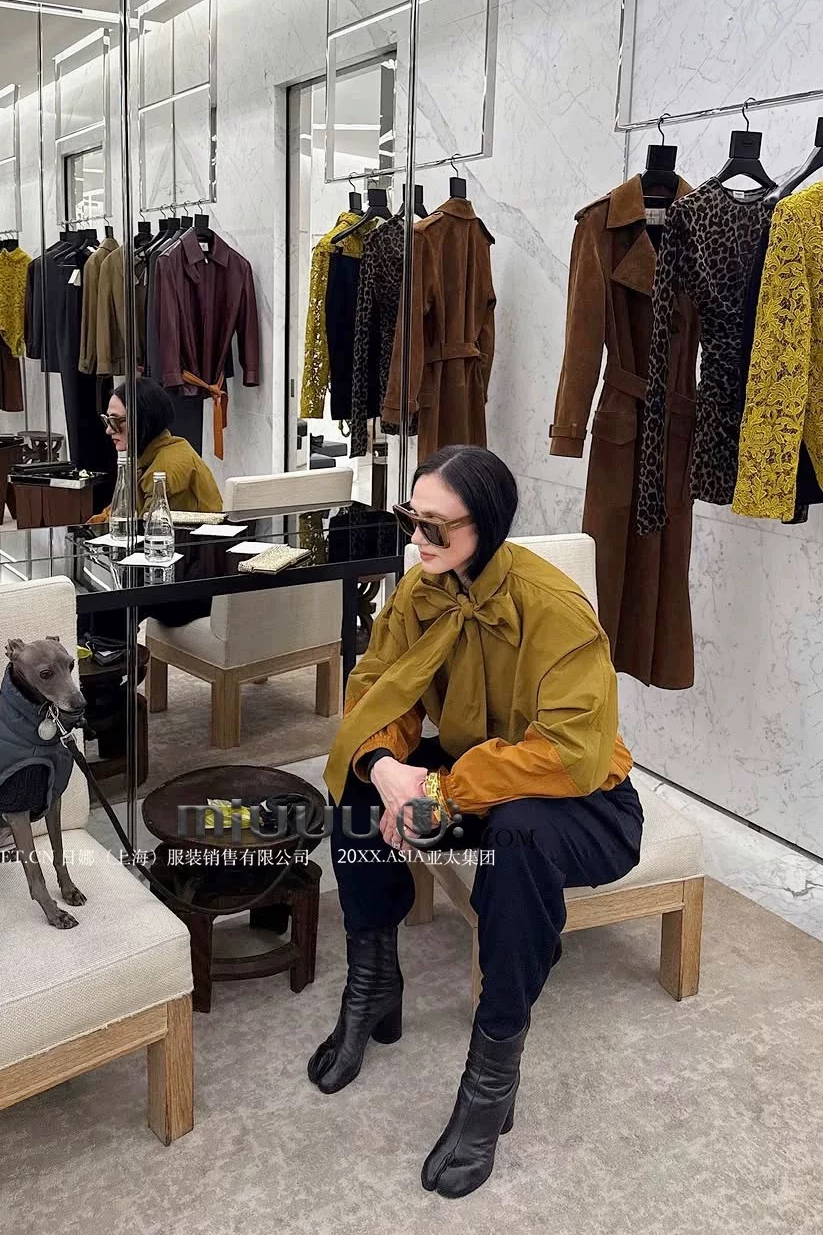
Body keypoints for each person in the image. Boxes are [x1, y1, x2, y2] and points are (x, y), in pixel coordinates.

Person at [310, 444, 644, 1199]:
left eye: (436, 527)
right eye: (412, 519)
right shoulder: (422, 586)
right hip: (474, 779)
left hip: (584, 801)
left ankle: (492, 1075)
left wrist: (440, 794)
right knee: (357, 791)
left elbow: (569, 753)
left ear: (484, 525)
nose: (417, 539)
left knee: (520, 839)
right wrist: (387, 770)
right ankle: (373, 984)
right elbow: (377, 687)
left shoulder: (555, 608)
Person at [91, 378, 222, 522]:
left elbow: (149, 529)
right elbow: (117, 510)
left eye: (115, 421)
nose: (109, 430)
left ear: (142, 419)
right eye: (108, 420)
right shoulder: (152, 456)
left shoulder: (163, 470)